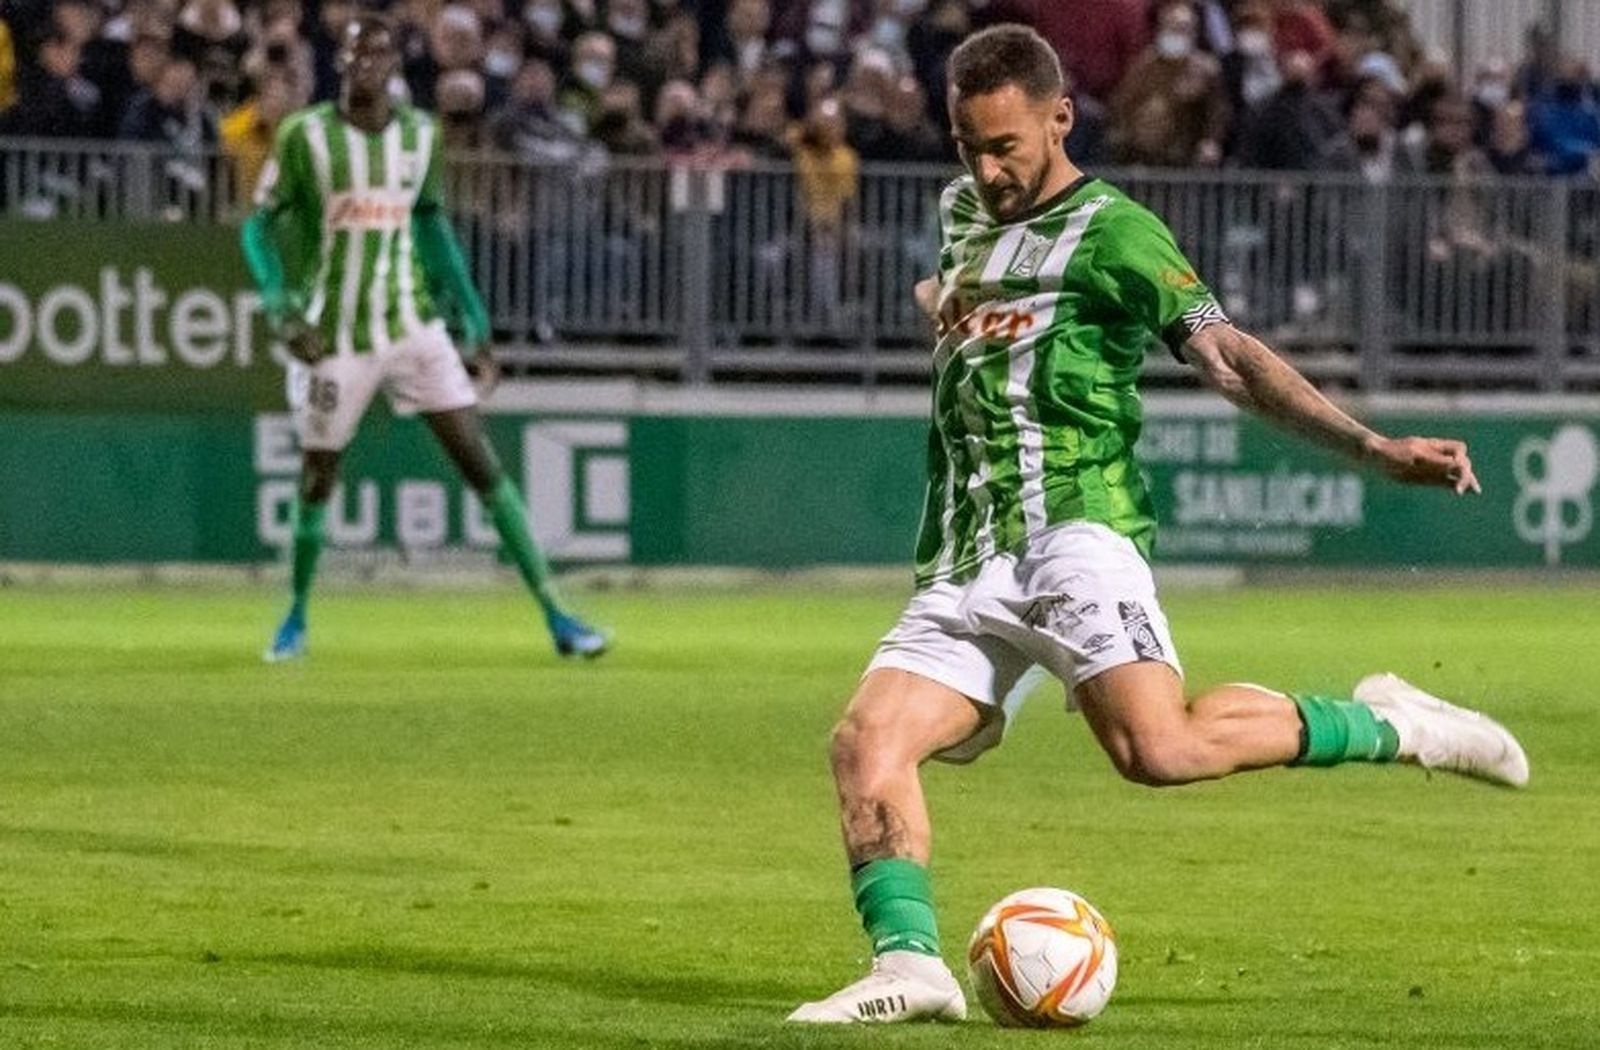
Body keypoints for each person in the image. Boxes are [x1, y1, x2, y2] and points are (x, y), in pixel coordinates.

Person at [786, 24, 1528, 1026]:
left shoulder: (1116, 233)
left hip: (1073, 532)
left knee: (1157, 751)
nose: (988, 170)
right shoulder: (960, 213)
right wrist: (949, 302)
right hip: (964, 553)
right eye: (969, 147)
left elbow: (1230, 358)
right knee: (865, 742)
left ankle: (1401, 725)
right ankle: (910, 966)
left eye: (1006, 147)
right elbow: (959, 290)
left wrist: (1371, 447)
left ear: (1060, 118)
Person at [240, 13, 608, 662]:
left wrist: (474, 319)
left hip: (412, 324)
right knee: (318, 476)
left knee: (479, 460)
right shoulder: (306, 136)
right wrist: (281, 306)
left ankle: (559, 615)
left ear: (394, 66)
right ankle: (294, 616)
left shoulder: (418, 135)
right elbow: (258, 227)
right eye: (355, 53)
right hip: (336, 334)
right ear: (340, 62)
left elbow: (432, 223)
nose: (365, 64)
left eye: (377, 54)